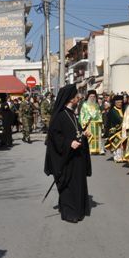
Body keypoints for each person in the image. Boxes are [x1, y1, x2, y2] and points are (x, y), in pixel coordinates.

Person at [45, 84, 92, 223]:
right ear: (71, 99)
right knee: (68, 185)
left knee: (76, 183)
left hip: (76, 157)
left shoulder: (71, 113)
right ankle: (70, 213)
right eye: (77, 97)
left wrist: (83, 134)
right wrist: (68, 143)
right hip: (65, 158)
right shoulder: (59, 115)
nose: (79, 99)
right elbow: (54, 137)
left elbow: (74, 133)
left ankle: (78, 209)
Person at [79, 90, 104, 155]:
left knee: (97, 137)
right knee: (89, 136)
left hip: (96, 124)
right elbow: (82, 115)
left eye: (94, 96)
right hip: (89, 124)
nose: (92, 98)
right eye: (91, 96)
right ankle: (89, 149)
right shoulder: (84, 105)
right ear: (88, 97)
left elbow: (99, 114)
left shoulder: (96, 105)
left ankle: (98, 149)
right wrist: (86, 121)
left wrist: (100, 120)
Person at [105, 95, 125, 162]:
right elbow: (117, 119)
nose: (120, 104)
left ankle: (121, 156)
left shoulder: (123, 109)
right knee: (117, 143)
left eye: (121, 102)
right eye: (118, 102)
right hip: (115, 130)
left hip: (123, 130)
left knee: (121, 144)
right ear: (115, 102)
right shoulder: (113, 111)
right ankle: (117, 156)